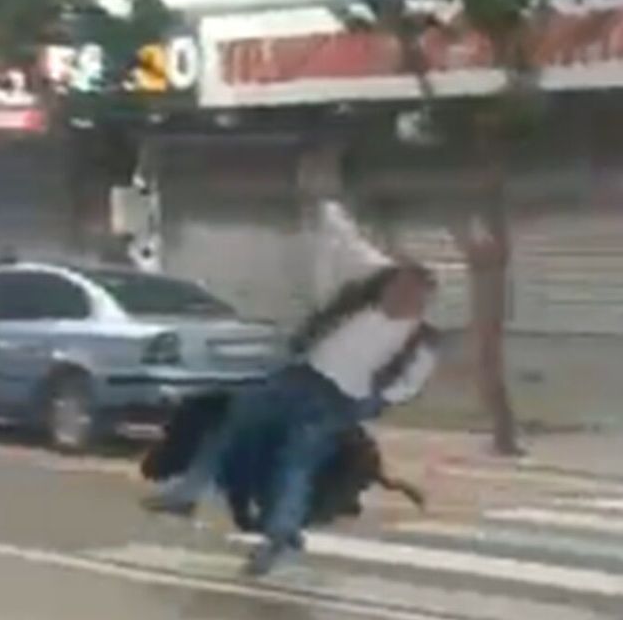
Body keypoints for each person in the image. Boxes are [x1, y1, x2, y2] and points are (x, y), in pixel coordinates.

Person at [142, 204, 439, 577]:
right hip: (301, 375)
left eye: (409, 293)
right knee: (237, 417)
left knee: (294, 464)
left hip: (336, 402)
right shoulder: (364, 294)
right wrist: (324, 203)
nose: (397, 296)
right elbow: (348, 240)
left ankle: (282, 540)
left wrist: (362, 405)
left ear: (421, 301)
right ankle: (189, 492)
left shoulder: (419, 342)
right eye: (396, 287)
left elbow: (404, 388)